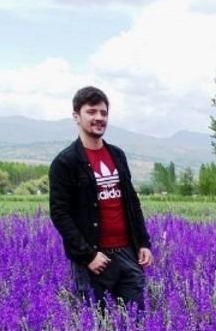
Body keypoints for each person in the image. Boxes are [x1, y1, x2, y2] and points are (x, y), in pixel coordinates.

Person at [49, 85, 153, 308]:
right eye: (91, 112)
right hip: (95, 260)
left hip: (127, 253)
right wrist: (88, 256)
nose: (99, 118)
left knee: (137, 325)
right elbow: (60, 214)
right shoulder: (65, 162)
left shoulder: (117, 155)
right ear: (77, 116)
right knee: (98, 329)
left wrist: (143, 242)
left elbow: (131, 202)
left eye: (103, 113)